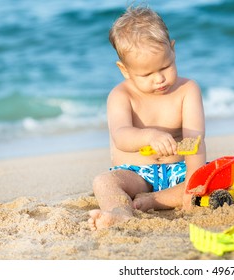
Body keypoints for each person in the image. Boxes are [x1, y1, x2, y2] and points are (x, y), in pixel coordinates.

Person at [88, 5, 206, 230]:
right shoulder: (121, 96)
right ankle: (120, 212)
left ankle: (156, 200)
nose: (159, 78)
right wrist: (150, 136)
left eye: (166, 66)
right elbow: (121, 136)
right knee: (103, 182)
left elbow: (196, 142)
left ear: (173, 50)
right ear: (125, 70)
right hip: (135, 173)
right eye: (147, 74)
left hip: (177, 171)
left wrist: (193, 188)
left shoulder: (188, 90)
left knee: (214, 176)